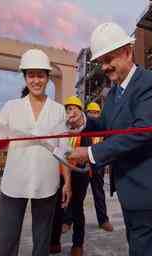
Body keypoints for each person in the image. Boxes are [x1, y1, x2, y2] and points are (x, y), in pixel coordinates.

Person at [66, 22, 152, 256]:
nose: (106, 67)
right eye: (102, 62)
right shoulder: (115, 92)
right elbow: (107, 124)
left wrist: (90, 154)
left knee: (144, 248)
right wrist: (85, 122)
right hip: (131, 188)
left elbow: (142, 131)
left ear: (128, 52)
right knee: (140, 246)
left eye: (110, 58)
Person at [0, 49, 70, 256]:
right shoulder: (11, 107)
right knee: (6, 241)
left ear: (47, 77)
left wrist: (67, 182)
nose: (36, 80)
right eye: (31, 75)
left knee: (42, 241)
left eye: (40, 75)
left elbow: (63, 150)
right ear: (25, 77)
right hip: (14, 184)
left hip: (46, 184)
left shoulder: (58, 110)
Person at [64, 96, 91, 256]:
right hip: (63, 170)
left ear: (81, 111)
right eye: (68, 109)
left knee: (77, 206)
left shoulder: (86, 129)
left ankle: (78, 244)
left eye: (75, 108)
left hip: (80, 172)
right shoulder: (63, 128)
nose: (71, 111)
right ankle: (61, 230)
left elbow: (86, 154)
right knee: (61, 204)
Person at [86, 102, 113, 232]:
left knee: (98, 192)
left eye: (96, 113)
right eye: (91, 112)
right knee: (77, 194)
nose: (94, 115)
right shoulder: (83, 127)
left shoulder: (102, 128)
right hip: (83, 163)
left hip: (97, 164)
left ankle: (103, 220)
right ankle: (68, 220)